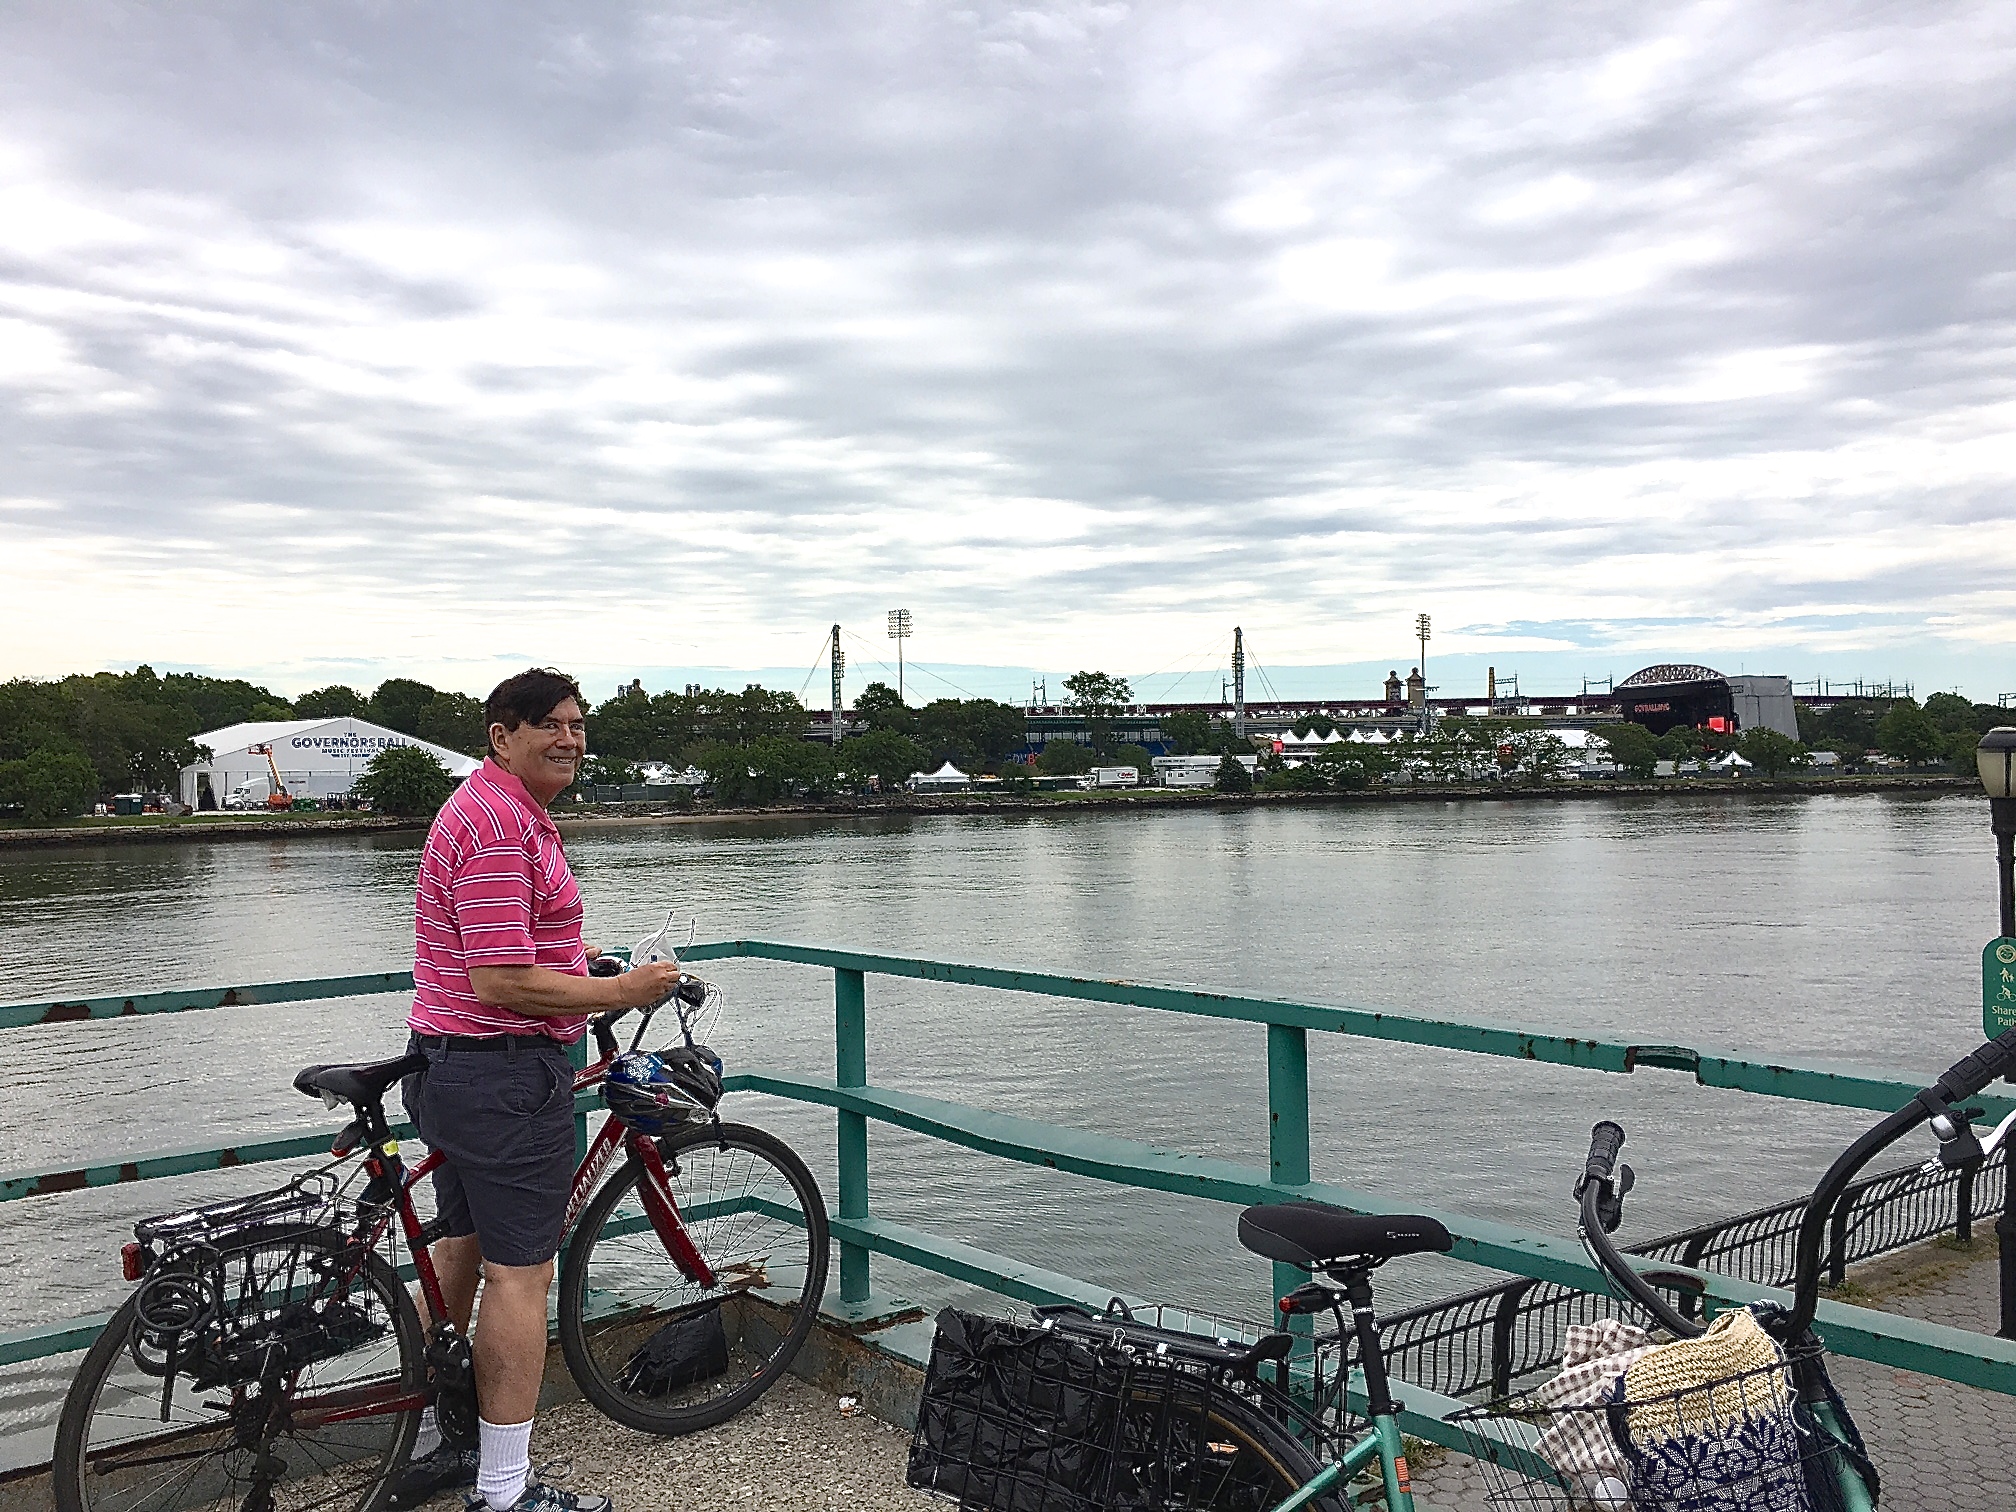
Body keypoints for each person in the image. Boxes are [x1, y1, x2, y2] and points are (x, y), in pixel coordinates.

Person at [389, 668, 678, 1512]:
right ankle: (505, 1492)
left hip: (451, 1067)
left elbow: (511, 950)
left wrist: (577, 969)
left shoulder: (502, 811)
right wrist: (624, 993)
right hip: (503, 1075)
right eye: (548, 724)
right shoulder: (499, 826)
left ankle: (448, 1437)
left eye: (578, 724)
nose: (570, 738)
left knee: (463, 1247)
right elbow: (502, 980)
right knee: (521, 1277)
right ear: (501, 736)